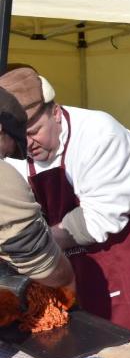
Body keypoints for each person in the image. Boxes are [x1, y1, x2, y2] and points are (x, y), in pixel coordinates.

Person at [0, 67, 130, 335]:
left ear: (55, 112)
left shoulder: (99, 134)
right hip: (79, 261)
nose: (28, 145)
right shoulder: (14, 153)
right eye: (19, 139)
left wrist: (35, 248)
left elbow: (100, 219)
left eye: (34, 131)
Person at [0, 88, 75, 292]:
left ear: (56, 114)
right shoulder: (2, 176)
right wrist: (67, 282)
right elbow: (36, 259)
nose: (6, 155)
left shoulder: (102, 135)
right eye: (9, 146)